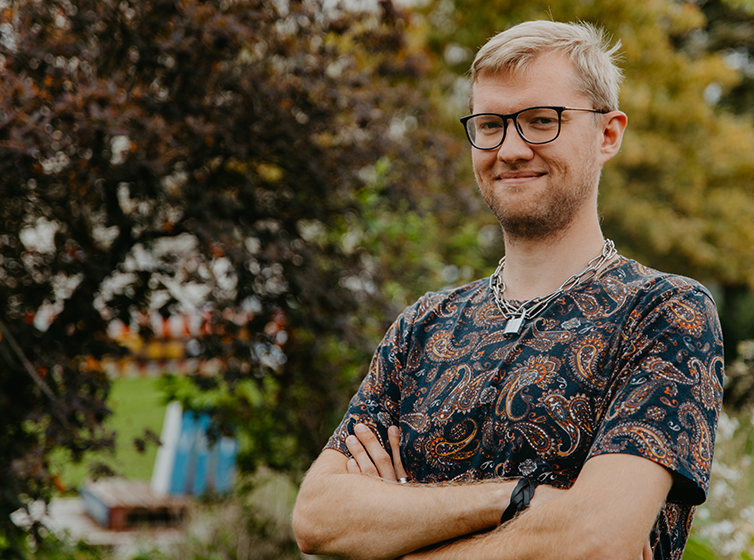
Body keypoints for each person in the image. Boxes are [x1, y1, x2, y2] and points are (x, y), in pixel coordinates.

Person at [292, 19, 723, 560]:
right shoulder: (424, 325)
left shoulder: (665, 313)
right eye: (491, 125)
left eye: (542, 121)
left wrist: (400, 528)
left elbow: (595, 541)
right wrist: (519, 500)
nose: (512, 148)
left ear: (607, 134)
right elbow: (318, 517)